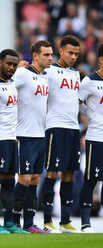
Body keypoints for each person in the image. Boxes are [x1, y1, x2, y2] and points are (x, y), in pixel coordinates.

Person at [0, 49, 29, 234]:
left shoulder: (13, 83)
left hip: (13, 139)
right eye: (8, 64)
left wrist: (20, 67)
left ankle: (10, 223)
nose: (11, 67)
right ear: (0, 63)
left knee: (10, 181)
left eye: (14, 64)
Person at [42, 35, 81, 233]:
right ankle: (47, 221)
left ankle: (65, 221)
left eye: (76, 54)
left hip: (73, 129)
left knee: (69, 174)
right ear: (61, 51)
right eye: (70, 53)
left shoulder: (76, 74)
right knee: (51, 172)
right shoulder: (48, 71)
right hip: (55, 127)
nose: (73, 57)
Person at [13, 40, 52, 234]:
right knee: (25, 179)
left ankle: (29, 223)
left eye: (51, 54)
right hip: (24, 135)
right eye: (46, 54)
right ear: (35, 55)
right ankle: (13, 221)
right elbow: (3, 84)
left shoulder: (44, 77)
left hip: (40, 135)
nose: (50, 58)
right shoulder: (22, 74)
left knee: (36, 179)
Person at [79, 43, 103, 233]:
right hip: (97, 137)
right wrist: (90, 117)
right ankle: (85, 222)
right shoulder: (89, 81)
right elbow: (76, 103)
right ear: (101, 60)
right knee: (91, 179)